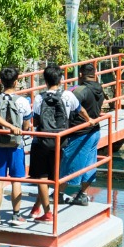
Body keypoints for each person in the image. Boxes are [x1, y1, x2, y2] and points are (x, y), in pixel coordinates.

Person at [27, 65, 80, 221]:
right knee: (54, 176)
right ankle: (37, 207)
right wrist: (89, 121)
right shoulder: (68, 96)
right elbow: (79, 111)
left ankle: (48, 212)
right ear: (61, 79)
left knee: (41, 177)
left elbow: (36, 120)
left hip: (41, 141)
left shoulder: (39, 97)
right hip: (61, 141)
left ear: (45, 80)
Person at [0, 67, 32, 226]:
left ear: (0, 82)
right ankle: (16, 216)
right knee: (16, 180)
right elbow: (26, 125)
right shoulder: (23, 101)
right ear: (16, 82)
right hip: (16, 145)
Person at [63, 70, 107, 207]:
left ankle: (58, 194)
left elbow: (72, 106)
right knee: (89, 164)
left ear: (81, 75)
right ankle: (83, 194)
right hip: (94, 131)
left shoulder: (80, 90)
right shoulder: (100, 89)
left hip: (80, 132)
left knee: (69, 162)